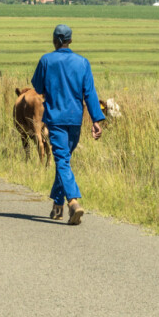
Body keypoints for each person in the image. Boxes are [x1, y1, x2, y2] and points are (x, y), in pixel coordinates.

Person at [31, 24, 105, 225]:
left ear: (55, 41)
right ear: (70, 41)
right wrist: (96, 120)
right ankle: (57, 205)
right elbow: (89, 93)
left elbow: (37, 86)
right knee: (63, 159)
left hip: (56, 119)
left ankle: (73, 202)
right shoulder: (83, 63)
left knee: (62, 160)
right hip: (75, 119)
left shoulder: (46, 60)